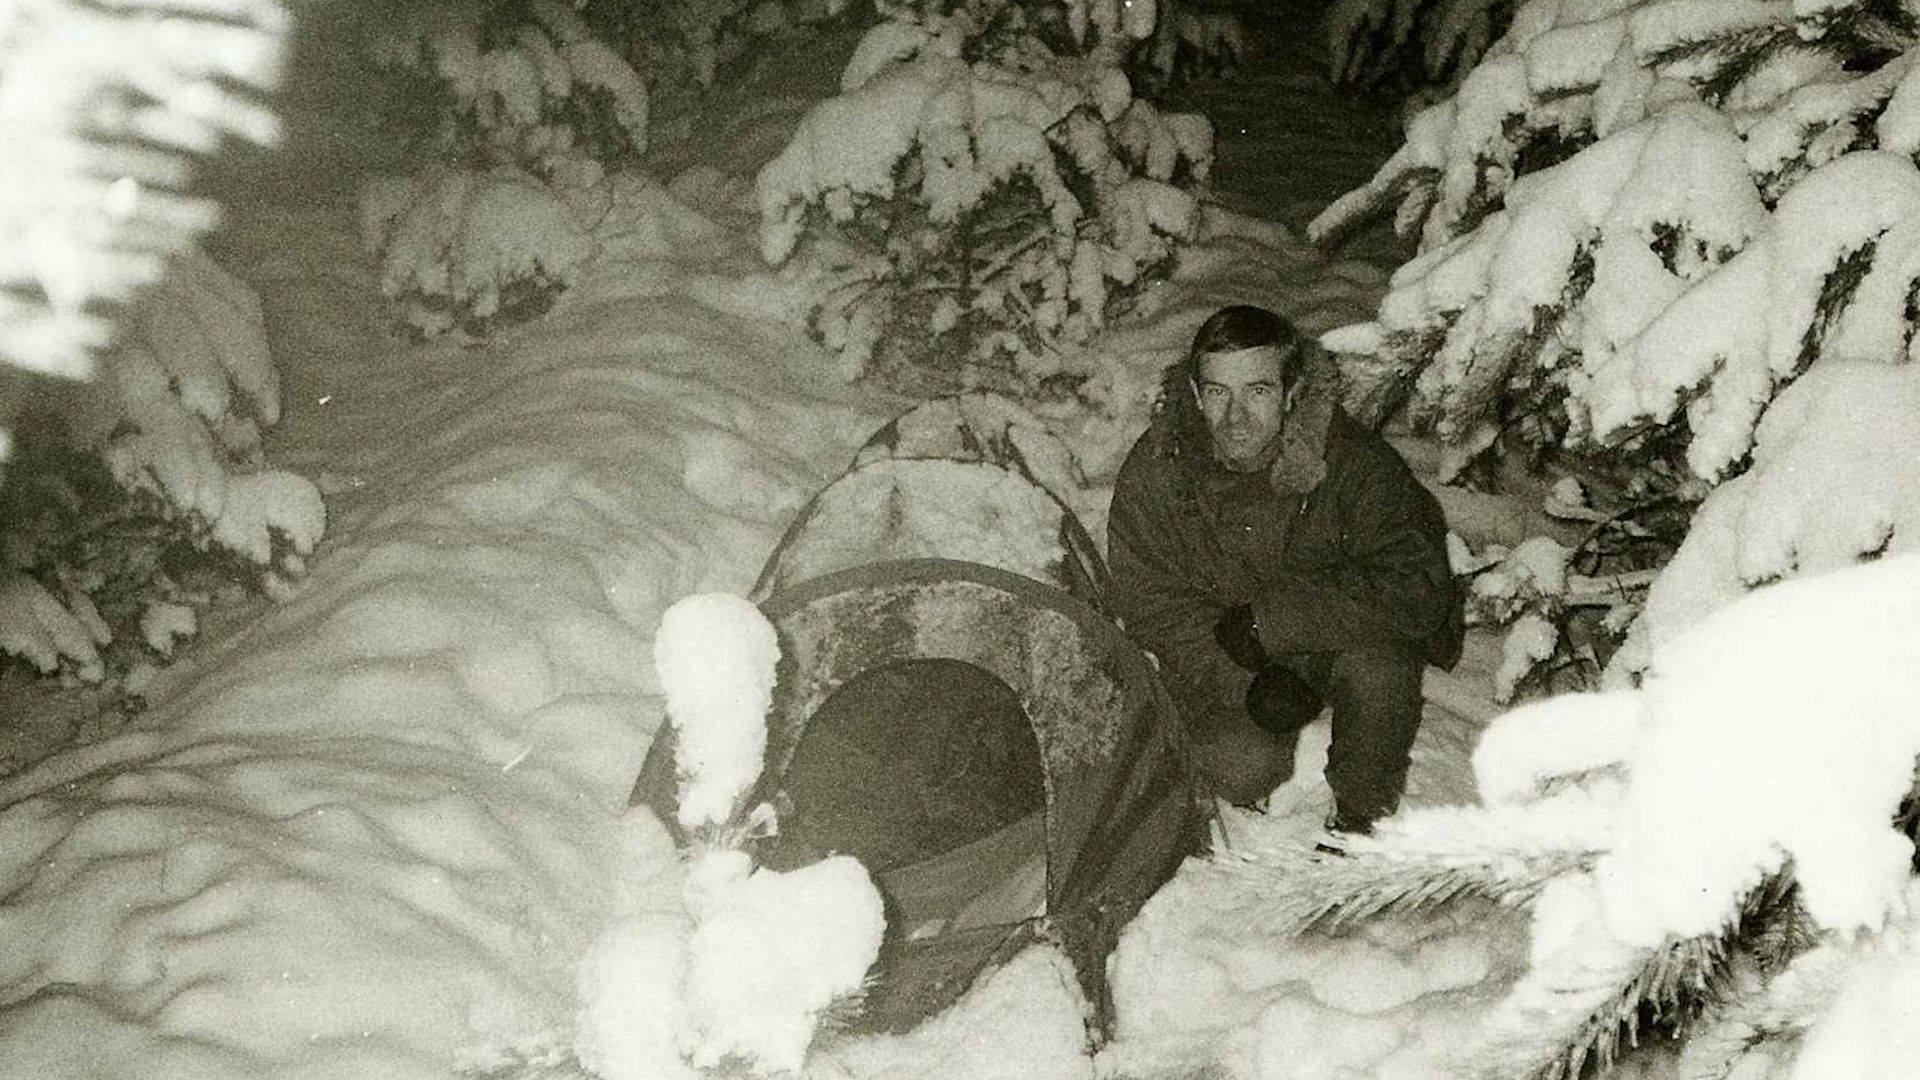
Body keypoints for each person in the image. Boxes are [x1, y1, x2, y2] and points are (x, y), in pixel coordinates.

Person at [1105, 304, 1463, 836]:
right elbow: (1152, 601)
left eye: (1258, 391)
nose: (1235, 416)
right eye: (1218, 392)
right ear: (1196, 394)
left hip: (1337, 637)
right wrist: (1245, 681)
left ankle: (1359, 817)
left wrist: (1273, 624)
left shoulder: (1353, 462)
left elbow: (1416, 585)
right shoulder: (1160, 468)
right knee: (1238, 769)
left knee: (1380, 670)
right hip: (1231, 650)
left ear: (1291, 391)